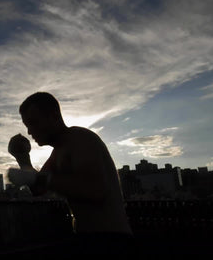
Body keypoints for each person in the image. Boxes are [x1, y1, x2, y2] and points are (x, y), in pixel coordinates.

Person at [7, 92, 135, 258]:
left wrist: (36, 177)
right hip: (90, 239)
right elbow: (38, 188)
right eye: (27, 125)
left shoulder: (80, 139)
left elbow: (95, 190)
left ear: (53, 117)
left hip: (112, 242)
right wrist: (22, 158)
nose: (30, 131)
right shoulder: (58, 151)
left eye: (33, 123)